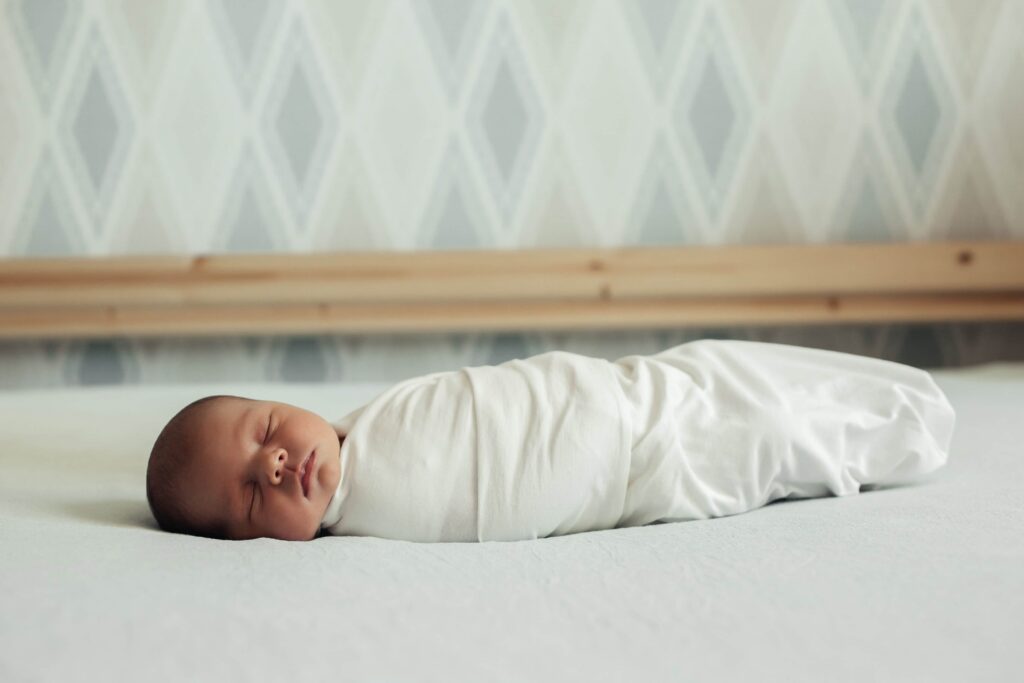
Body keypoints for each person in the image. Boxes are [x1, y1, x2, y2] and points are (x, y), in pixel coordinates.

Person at [146, 339, 955, 543]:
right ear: (250, 544)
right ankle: (893, 442)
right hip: (643, 476)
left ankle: (908, 405)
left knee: (742, 377)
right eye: (252, 494)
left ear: (280, 401)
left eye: (263, 431)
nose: (278, 462)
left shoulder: (370, 421)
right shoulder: (360, 523)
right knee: (776, 439)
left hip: (630, 393)